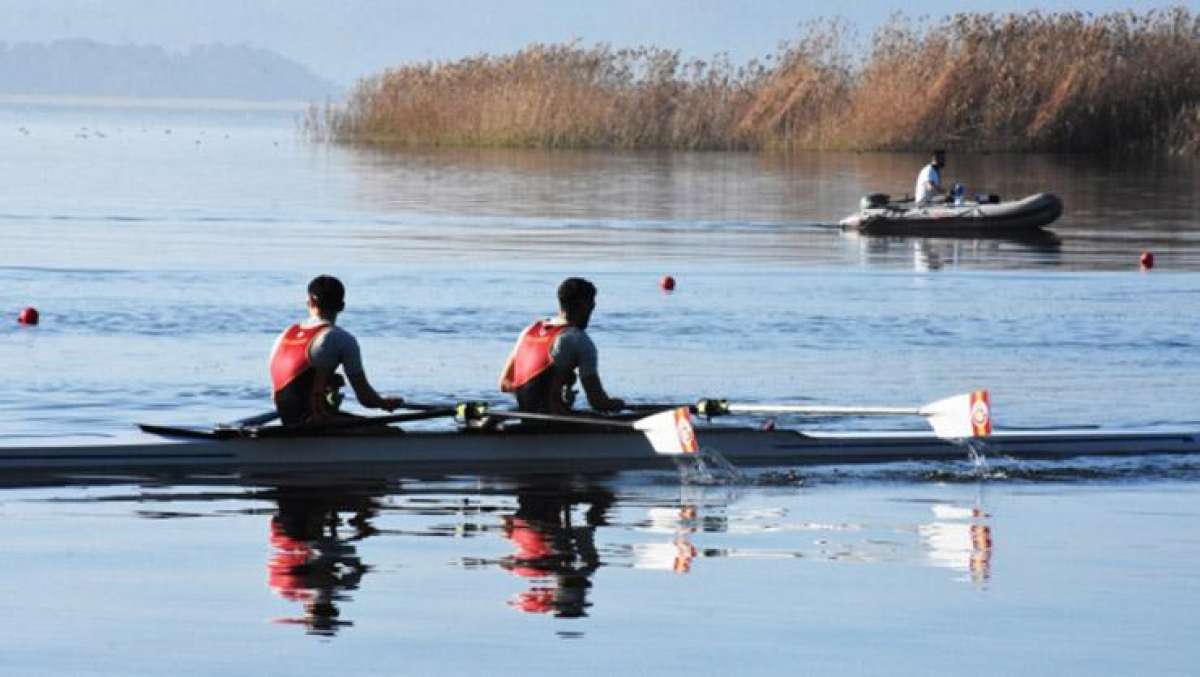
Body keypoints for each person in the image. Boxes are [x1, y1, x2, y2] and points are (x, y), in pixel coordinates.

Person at [269, 275, 403, 425]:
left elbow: (279, 393)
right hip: (314, 424)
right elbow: (365, 398)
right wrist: (384, 403)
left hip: (287, 420)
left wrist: (327, 382)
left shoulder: (285, 334)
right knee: (390, 432)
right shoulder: (341, 339)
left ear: (310, 302)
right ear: (342, 306)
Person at [498, 277, 624, 415]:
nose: (593, 310)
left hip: (526, 417)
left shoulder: (530, 330)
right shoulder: (579, 339)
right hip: (553, 422)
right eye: (592, 305)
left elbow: (505, 383)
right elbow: (598, 402)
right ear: (583, 305)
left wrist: (548, 388)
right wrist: (619, 404)